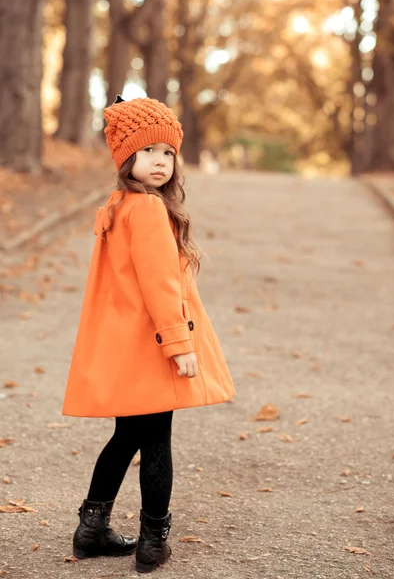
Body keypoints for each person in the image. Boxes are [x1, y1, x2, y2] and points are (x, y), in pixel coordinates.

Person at [62, 95, 235, 573]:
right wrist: (180, 345)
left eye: (168, 152)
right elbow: (160, 286)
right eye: (148, 151)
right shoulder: (147, 211)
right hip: (154, 344)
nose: (159, 161)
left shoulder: (118, 205)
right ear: (126, 158)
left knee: (125, 437)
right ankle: (152, 540)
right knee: (155, 439)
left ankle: (91, 528)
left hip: (127, 345)